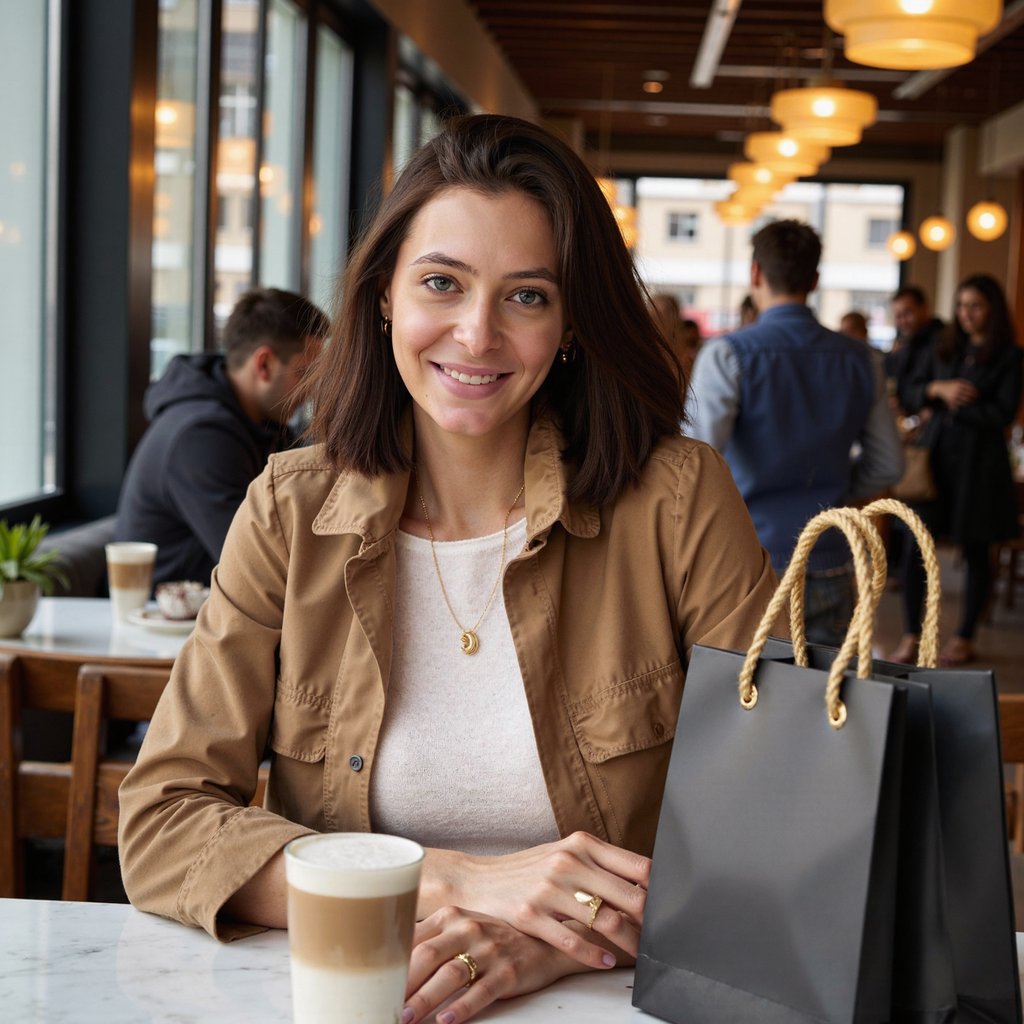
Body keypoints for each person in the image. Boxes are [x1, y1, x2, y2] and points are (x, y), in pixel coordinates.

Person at [118, 114, 780, 1023]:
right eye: (442, 282)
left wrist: (552, 937)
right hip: (352, 998)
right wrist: (452, 882)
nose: (476, 335)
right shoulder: (291, 508)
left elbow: (780, 826)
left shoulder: (675, 499)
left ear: (572, 324)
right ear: (386, 293)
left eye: (527, 296)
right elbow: (161, 823)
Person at [687, 219, 903, 646]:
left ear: (755, 274)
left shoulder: (727, 354)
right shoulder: (862, 359)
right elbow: (888, 463)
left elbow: (695, 461)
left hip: (748, 555)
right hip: (829, 551)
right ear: (815, 280)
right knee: (825, 700)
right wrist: (837, 489)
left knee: (746, 700)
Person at [114, 288, 329, 586]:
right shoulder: (201, 437)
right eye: (304, 373)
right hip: (166, 621)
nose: (310, 391)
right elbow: (255, 561)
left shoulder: (264, 425)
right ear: (263, 364)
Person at [890, 274, 1023, 666]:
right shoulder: (944, 346)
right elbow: (911, 390)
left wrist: (956, 405)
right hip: (935, 465)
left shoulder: (1010, 356)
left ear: (993, 309)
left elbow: (1002, 412)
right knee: (915, 546)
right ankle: (912, 634)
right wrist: (939, 390)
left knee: (978, 551)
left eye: (976, 306)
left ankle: (965, 635)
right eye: (962, 305)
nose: (967, 314)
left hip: (979, 468)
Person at [887, 285, 944, 413]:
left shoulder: (942, 341)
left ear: (924, 308)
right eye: (898, 316)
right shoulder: (905, 343)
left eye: (907, 313)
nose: (903, 321)